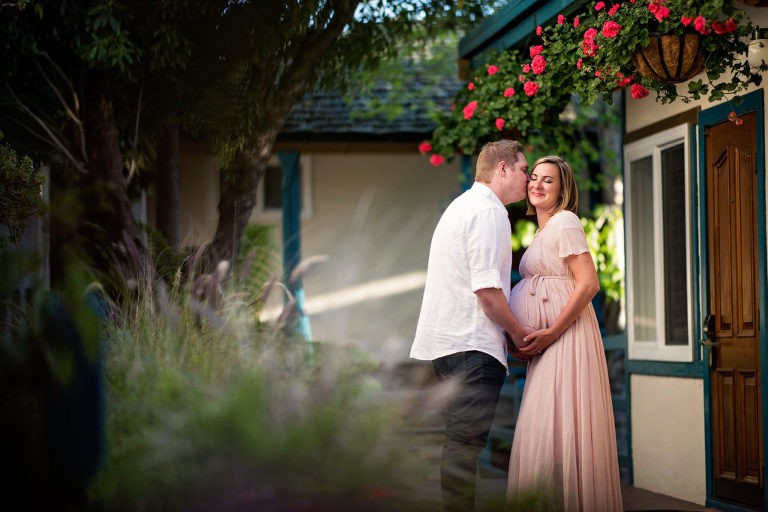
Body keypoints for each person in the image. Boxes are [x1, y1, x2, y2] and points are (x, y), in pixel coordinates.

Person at [411, 139, 533, 512]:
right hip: (472, 346)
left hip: (450, 346)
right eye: (524, 170)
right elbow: (487, 290)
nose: (528, 178)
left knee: (459, 444)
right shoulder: (489, 211)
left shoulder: (462, 206)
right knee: (465, 447)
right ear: (502, 169)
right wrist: (518, 333)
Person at [506, 155, 622, 511]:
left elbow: (589, 284)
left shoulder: (565, 221)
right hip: (548, 344)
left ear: (563, 189)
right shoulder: (542, 230)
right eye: (534, 177)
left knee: (561, 425)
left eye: (548, 180)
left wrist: (552, 331)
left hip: (566, 338)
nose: (537, 184)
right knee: (547, 428)